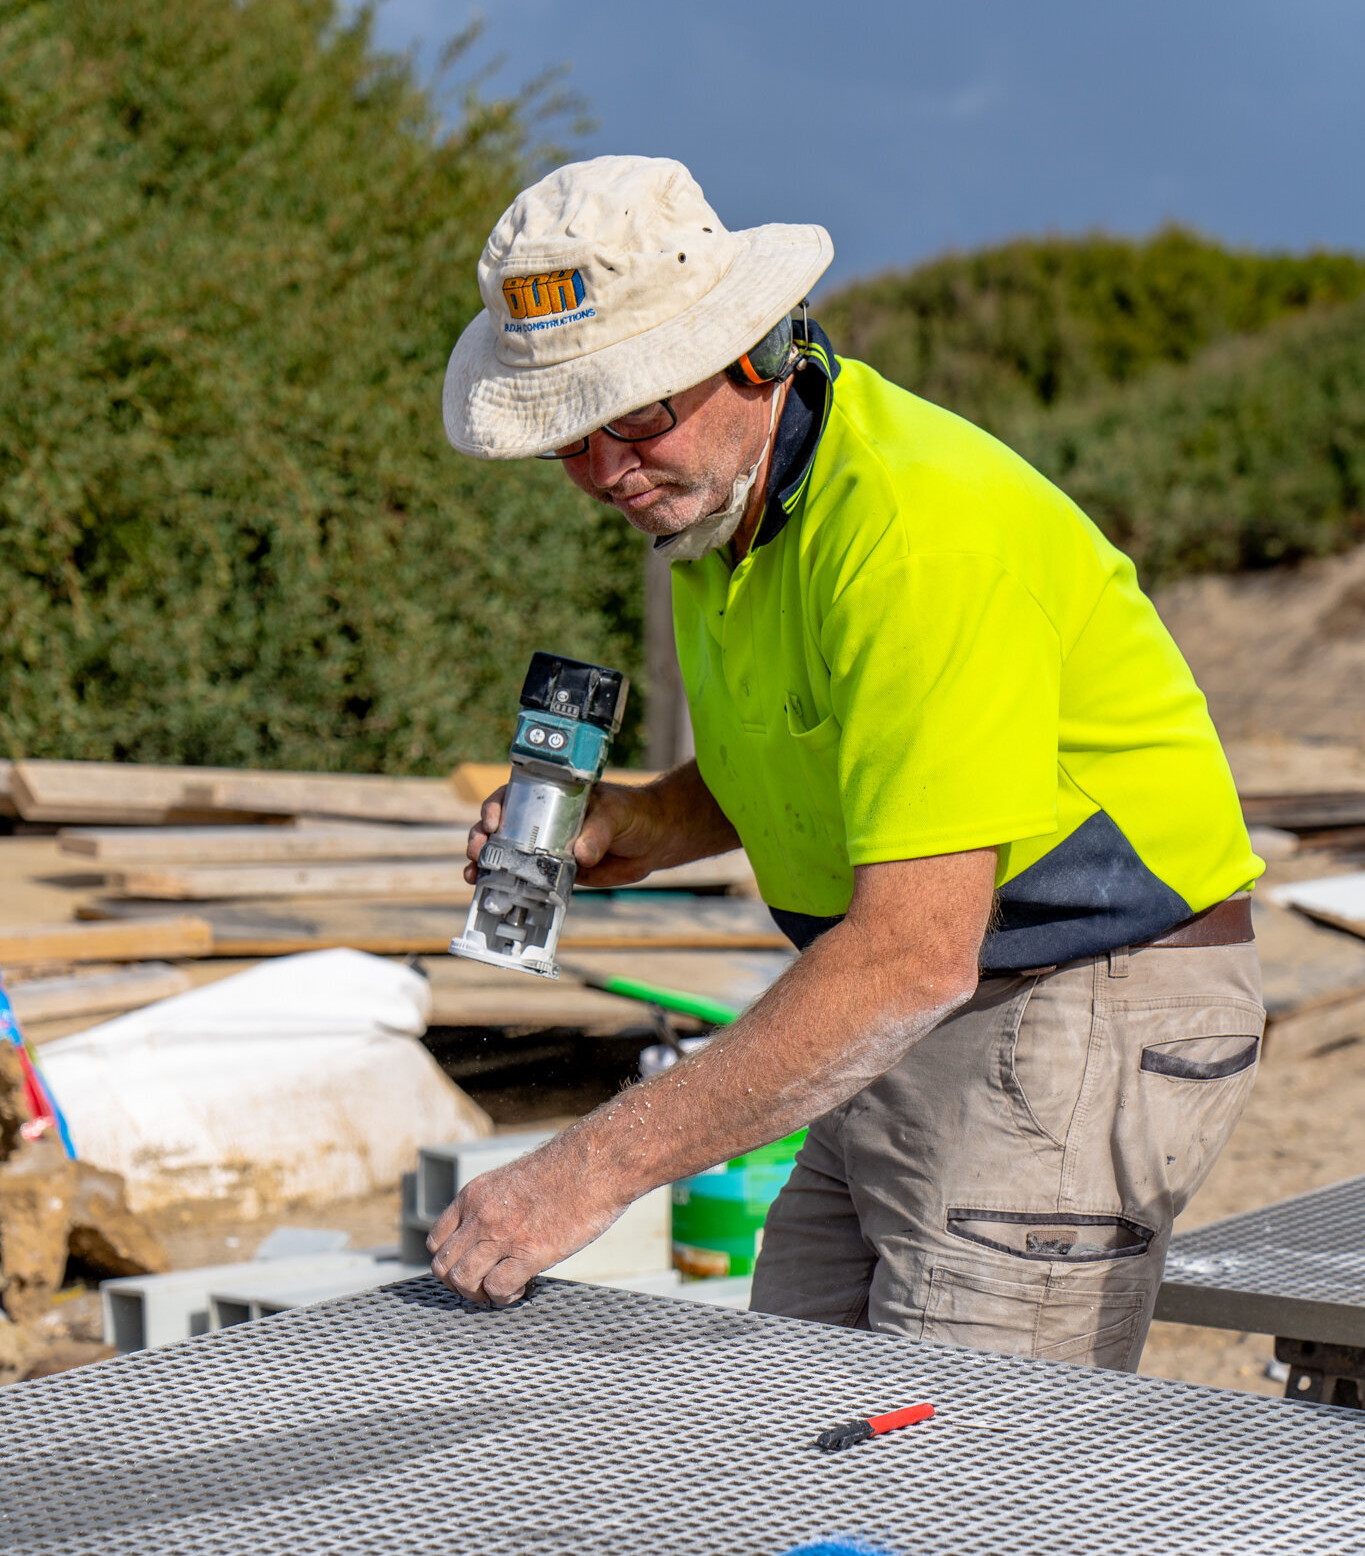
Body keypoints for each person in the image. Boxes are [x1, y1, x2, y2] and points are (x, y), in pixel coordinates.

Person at [431, 153, 1264, 1367]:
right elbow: (824, 749)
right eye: (568, 438)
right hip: (922, 979)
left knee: (951, 1470)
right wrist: (639, 822)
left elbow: (914, 949)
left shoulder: (914, 533)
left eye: (637, 416)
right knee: (797, 1405)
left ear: (753, 349)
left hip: (1078, 985)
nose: (609, 472)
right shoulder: (728, 503)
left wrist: (587, 1169)